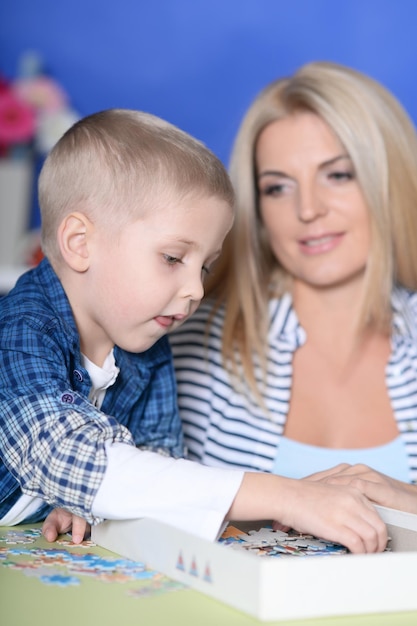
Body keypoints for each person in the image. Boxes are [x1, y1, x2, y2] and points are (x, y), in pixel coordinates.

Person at [0, 108, 387, 554]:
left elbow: (156, 461)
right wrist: (285, 493)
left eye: (204, 266)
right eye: (172, 258)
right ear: (80, 244)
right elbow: (65, 453)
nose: (195, 289)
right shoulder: (21, 329)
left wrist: (90, 505)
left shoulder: (144, 346)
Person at [170, 61, 417, 514]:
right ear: (257, 211)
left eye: (338, 175)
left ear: (390, 181)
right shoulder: (191, 343)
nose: (308, 209)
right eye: (278, 188)